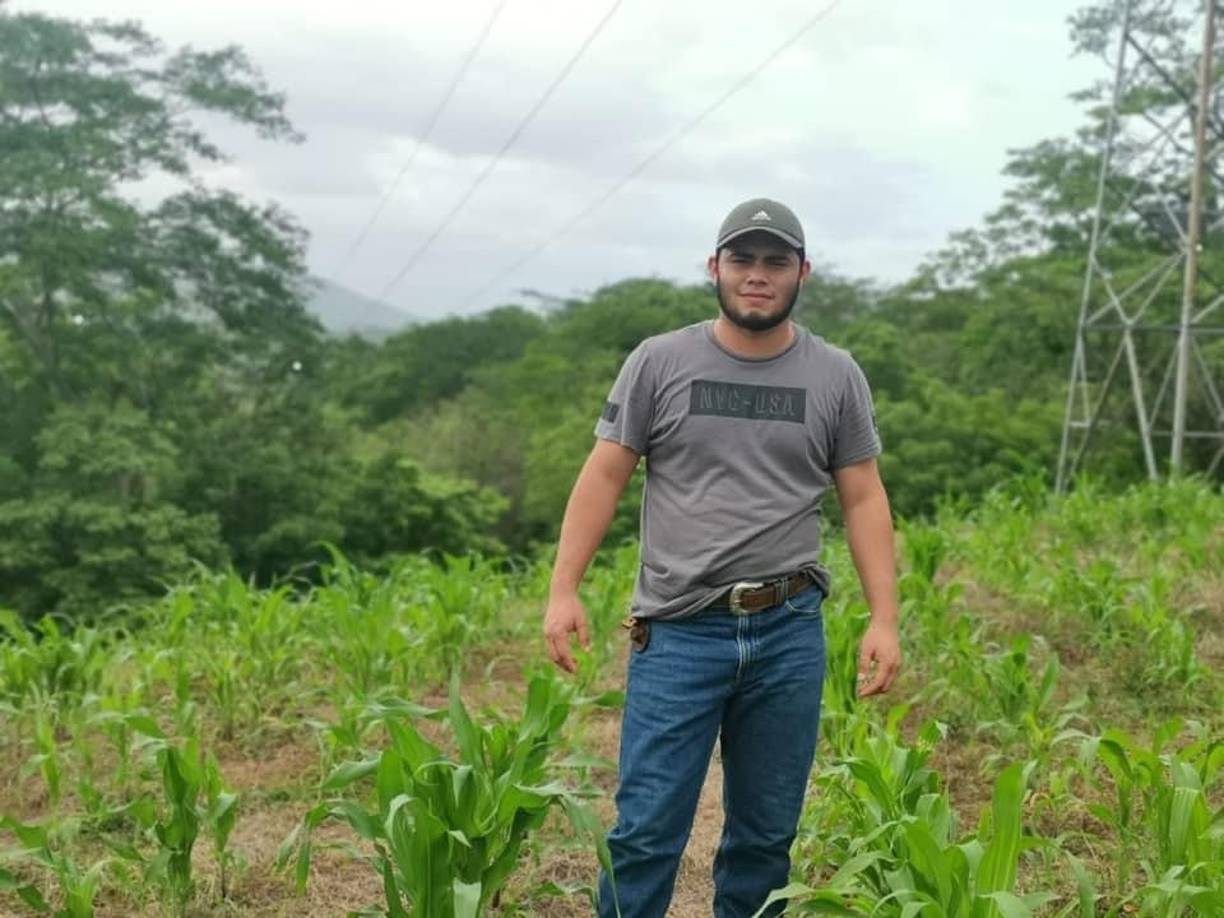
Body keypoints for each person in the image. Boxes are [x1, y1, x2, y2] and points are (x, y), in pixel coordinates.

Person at [542, 198, 901, 918]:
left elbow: (862, 497)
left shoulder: (834, 375)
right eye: (743, 260)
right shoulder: (660, 362)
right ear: (715, 267)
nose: (757, 276)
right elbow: (606, 473)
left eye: (775, 262)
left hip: (789, 628)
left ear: (802, 273)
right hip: (679, 631)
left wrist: (884, 618)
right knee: (645, 833)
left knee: (766, 838)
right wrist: (563, 589)